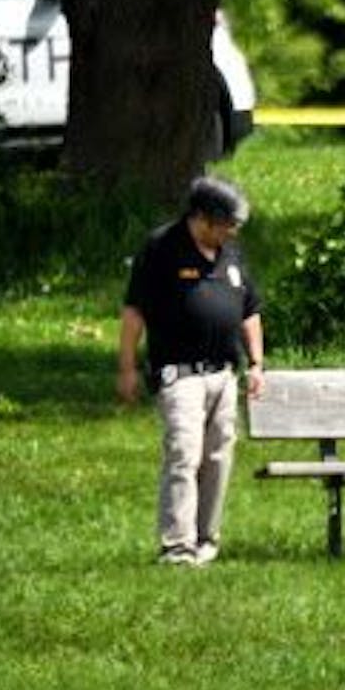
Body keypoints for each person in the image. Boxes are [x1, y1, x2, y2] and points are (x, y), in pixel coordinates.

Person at [118, 176, 265, 567]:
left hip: (223, 374)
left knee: (218, 457)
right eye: (227, 224)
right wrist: (128, 367)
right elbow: (134, 312)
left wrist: (256, 364)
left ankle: (206, 540)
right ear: (202, 219)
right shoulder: (161, 249)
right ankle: (177, 546)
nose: (233, 232)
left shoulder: (231, 253)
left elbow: (249, 311)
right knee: (185, 454)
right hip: (179, 373)